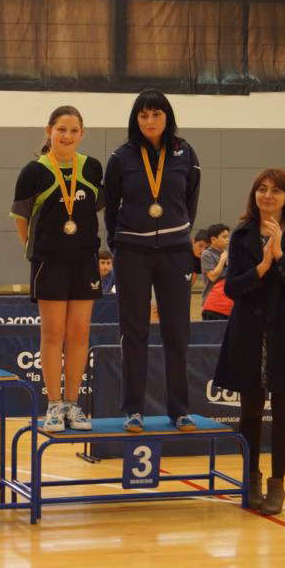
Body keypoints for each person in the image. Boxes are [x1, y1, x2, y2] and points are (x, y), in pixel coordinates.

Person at [213, 169, 285, 515]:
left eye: (275, 191)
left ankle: (278, 484)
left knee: (283, 411)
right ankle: (251, 477)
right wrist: (262, 266)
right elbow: (232, 288)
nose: (267, 195)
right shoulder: (243, 231)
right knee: (249, 411)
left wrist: (279, 255)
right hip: (249, 330)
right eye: (262, 189)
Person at [104, 89, 201, 432]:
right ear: (135, 119)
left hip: (176, 253)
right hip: (132, 252)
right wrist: (119, 245)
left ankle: (180, 409)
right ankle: (133, 409)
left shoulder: (185, 153)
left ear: (167, 116)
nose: (149, 121)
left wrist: (177, 233)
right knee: (135, 332)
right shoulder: (121, 157)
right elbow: (111, 207)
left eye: (155, 114)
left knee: (177, 332)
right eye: (143, 115)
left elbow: (189, 201)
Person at [10, 105, 104, 431]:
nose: (66, 136)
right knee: (53, 334)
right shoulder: (33, 171)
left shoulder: (92, 168)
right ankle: (52, 404)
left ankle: (73, 405)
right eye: (60, 129)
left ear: (82, 134)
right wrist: (31, 249)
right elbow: (21, 218)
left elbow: (94, 209)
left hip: (84, 261)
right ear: (49, 131)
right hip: (48, 262)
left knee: (79, 333)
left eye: (73, 130)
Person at [199, 223, 230, 315]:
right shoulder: (207, 254)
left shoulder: (226, 254)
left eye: (228, 237)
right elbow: (212, 277)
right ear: (213, 239)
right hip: (212, 303)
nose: (227, 240)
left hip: (226, 302)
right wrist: (222, 260)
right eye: (224, 237)